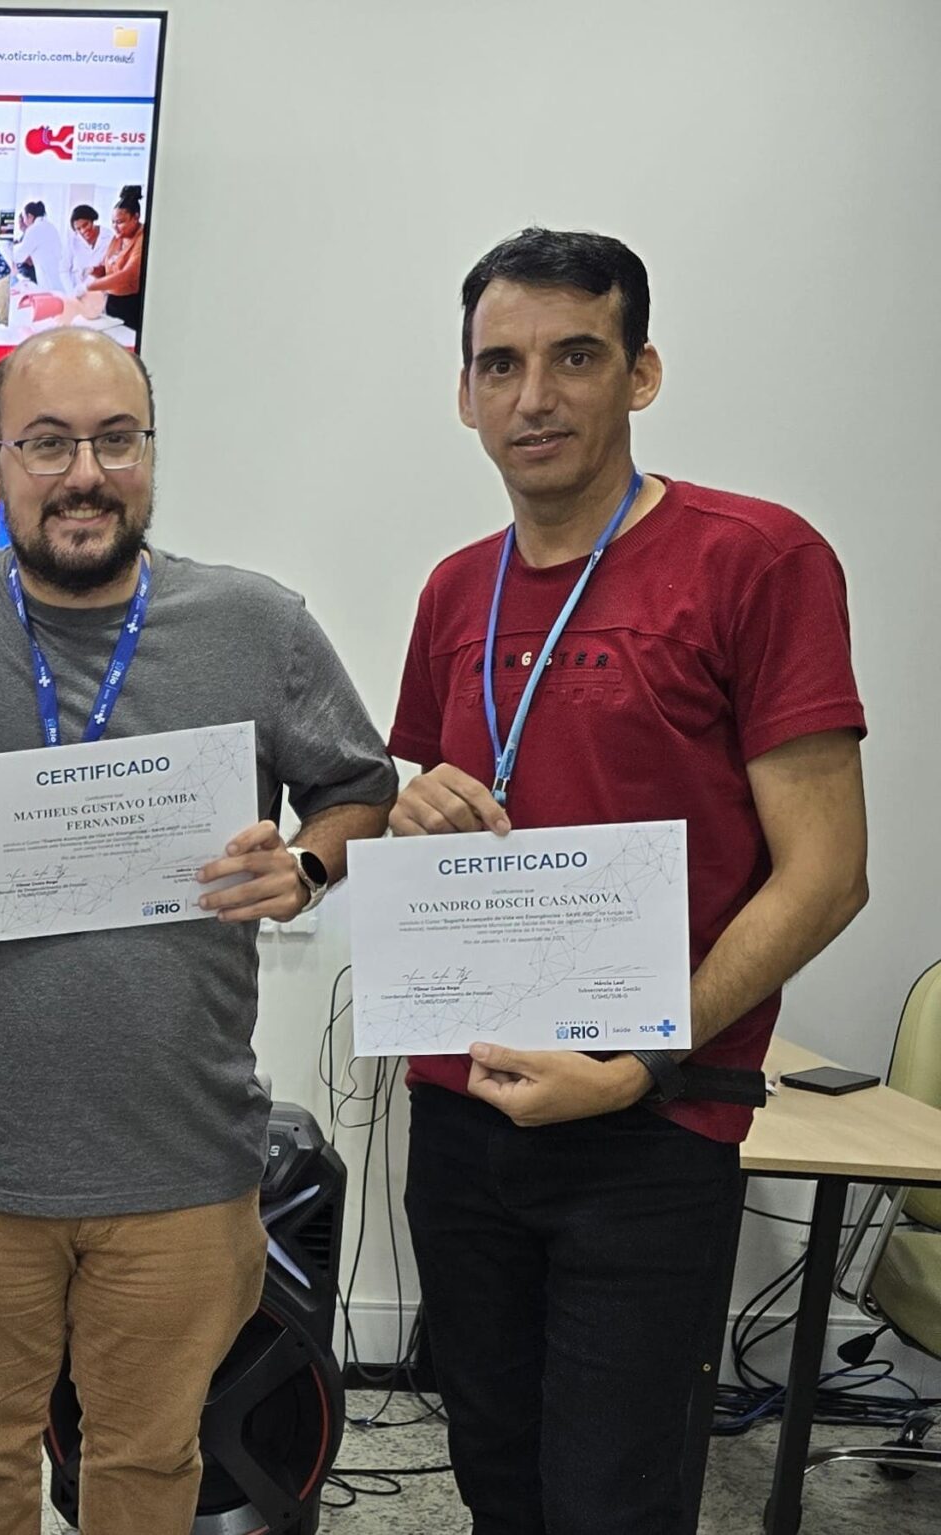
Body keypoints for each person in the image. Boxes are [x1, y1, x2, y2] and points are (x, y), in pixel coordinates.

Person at [0, 329, 397, 1534]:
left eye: (115, 440)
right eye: (47, 442)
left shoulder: (256, 624)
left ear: (151, 452)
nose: (84, 473)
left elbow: (357, 783)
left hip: (179, 1161)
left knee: (154, 1460)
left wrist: (309, 865)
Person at [388, 228, 869, 1534]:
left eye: (575, 357)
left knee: (615, 1498)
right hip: (464, 1116)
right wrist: (404, 809)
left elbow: (827, 875)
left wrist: (640, 1052)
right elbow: (413, 838)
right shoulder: (454, 593)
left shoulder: (756, 560)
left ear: (641, 373)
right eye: (500, 363)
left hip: (647, 1123)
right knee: (497, 1479)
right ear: (465, 390)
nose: (532, 396)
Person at [84, 194, 145, 332]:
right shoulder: (118, 238)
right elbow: (108, 269)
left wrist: (89, 287)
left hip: (131, 304)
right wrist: (92, 270)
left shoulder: (143, 240)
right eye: (113, 222)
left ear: (136, 217)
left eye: (120, 222)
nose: (115, 227)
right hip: (112, 301)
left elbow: (128, 275)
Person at [7, 200, 63, 288]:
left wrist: (10, 249)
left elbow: (19, 256)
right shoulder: (50, 226)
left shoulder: (34, 229)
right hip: (56, 275)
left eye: (24, 217)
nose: (24, 221)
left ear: (29, 216)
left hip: (46, 278)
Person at [64, 204, 105, 294]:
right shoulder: (72, 241)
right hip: (78, 294)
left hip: (101, 294)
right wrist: (72, 292)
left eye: (85, 225)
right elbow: (64, 270)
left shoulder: (108, 237)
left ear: (92, 220)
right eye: (78, 229)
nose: (83, 231)